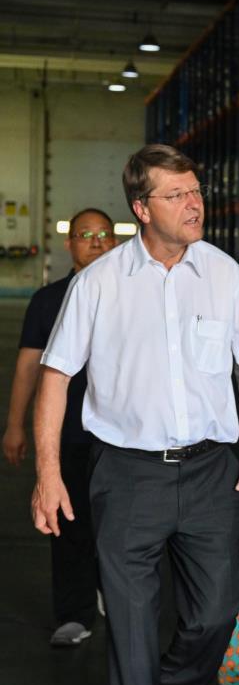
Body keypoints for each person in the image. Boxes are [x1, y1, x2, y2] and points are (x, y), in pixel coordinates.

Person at [31, 144, 239, 685]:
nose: (194, 203)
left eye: (195, 191)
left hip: (210, 471)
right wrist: (48, 473)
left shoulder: (222, 273)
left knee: (217, 609)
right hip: (127, 475)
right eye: (177, 195)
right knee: (131, 623)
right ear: (142, 210)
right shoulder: (100, 283)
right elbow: (55, 377)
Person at [4, 207, 116, 647]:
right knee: (69, 521)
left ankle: (112, 591)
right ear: (69, 244)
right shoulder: (49, 300)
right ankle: (74, 613)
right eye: (85, 234)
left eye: (104, 234)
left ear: (115, 242)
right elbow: (28, 366)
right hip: (68, 431)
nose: (96, 241)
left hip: (122, 434)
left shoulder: (134, 293)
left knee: (120, 522)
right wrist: (15, 425)